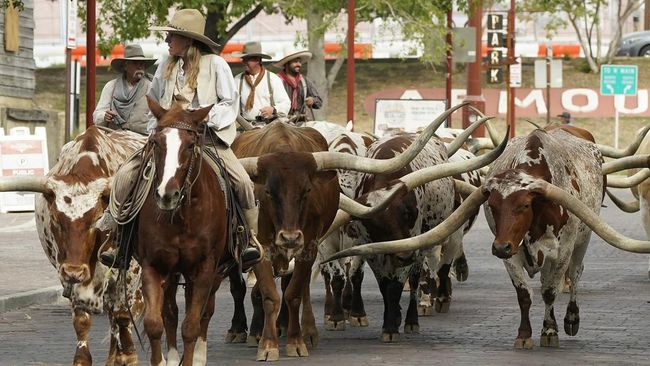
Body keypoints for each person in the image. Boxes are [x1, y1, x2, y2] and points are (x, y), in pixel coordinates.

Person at [99, 9, 261, 270]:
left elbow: (231, 103)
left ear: (188, 39)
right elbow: (154, 100)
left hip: (205, 138)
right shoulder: (165, 64)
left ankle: (249, 240)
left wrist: (206, 117)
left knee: (242, 181)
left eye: (172, 35)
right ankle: (118, 240)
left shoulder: (216, 65)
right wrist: (157, 132)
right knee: (125, 175)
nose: (167, 41)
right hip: (167, 139)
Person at [92, 44, 157, 134]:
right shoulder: (111, 87)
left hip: (143, 141)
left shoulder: (152, 87)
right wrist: (104, 116)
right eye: (135, 63)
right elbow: (97, 114)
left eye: (142, 63)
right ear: (125, 66)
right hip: (115, 140)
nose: (140, 66)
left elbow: (159, 117)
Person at [233, 41, 291, 126]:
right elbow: (232, 105)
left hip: (270, 127)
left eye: (247, 59)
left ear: (257, 60)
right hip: (245, 128)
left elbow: (285, 103)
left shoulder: (273, 79)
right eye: (243, 59)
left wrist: (273, 109)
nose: (243, 62)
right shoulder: (237, 80)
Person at [274, 47, 323, 123]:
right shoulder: (276, 80)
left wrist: (312, 100)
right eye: (295, 62)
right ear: (287, 63)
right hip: (280, 122)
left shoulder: (304, 81)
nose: (299, 64)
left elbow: (319, 102)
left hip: (301, 121)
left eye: (299, 62)